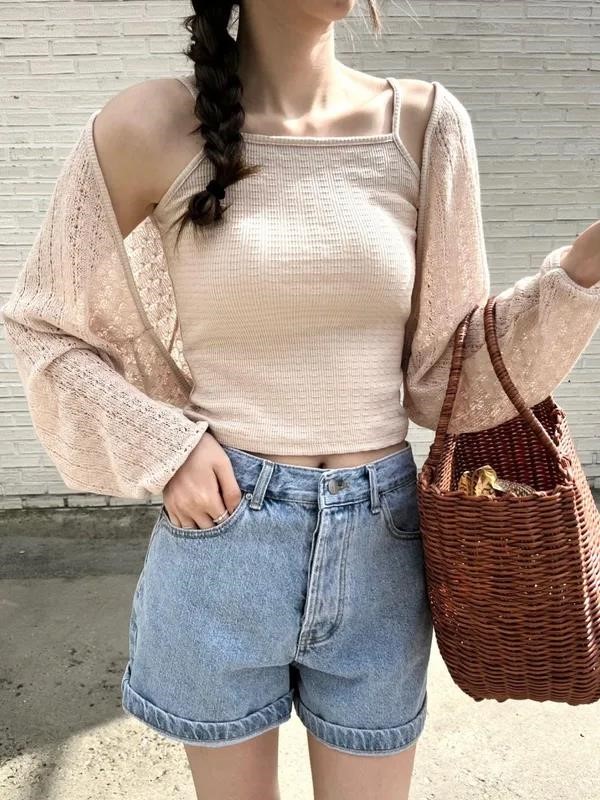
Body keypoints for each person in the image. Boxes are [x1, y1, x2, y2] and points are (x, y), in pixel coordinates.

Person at [2, 2, 599, 799]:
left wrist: (581, 274)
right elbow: (43, 322)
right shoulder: (147, 125)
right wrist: (164, 447)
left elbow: (444, 375)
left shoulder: (425, 124)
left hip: (382, 546)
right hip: (223, 538)